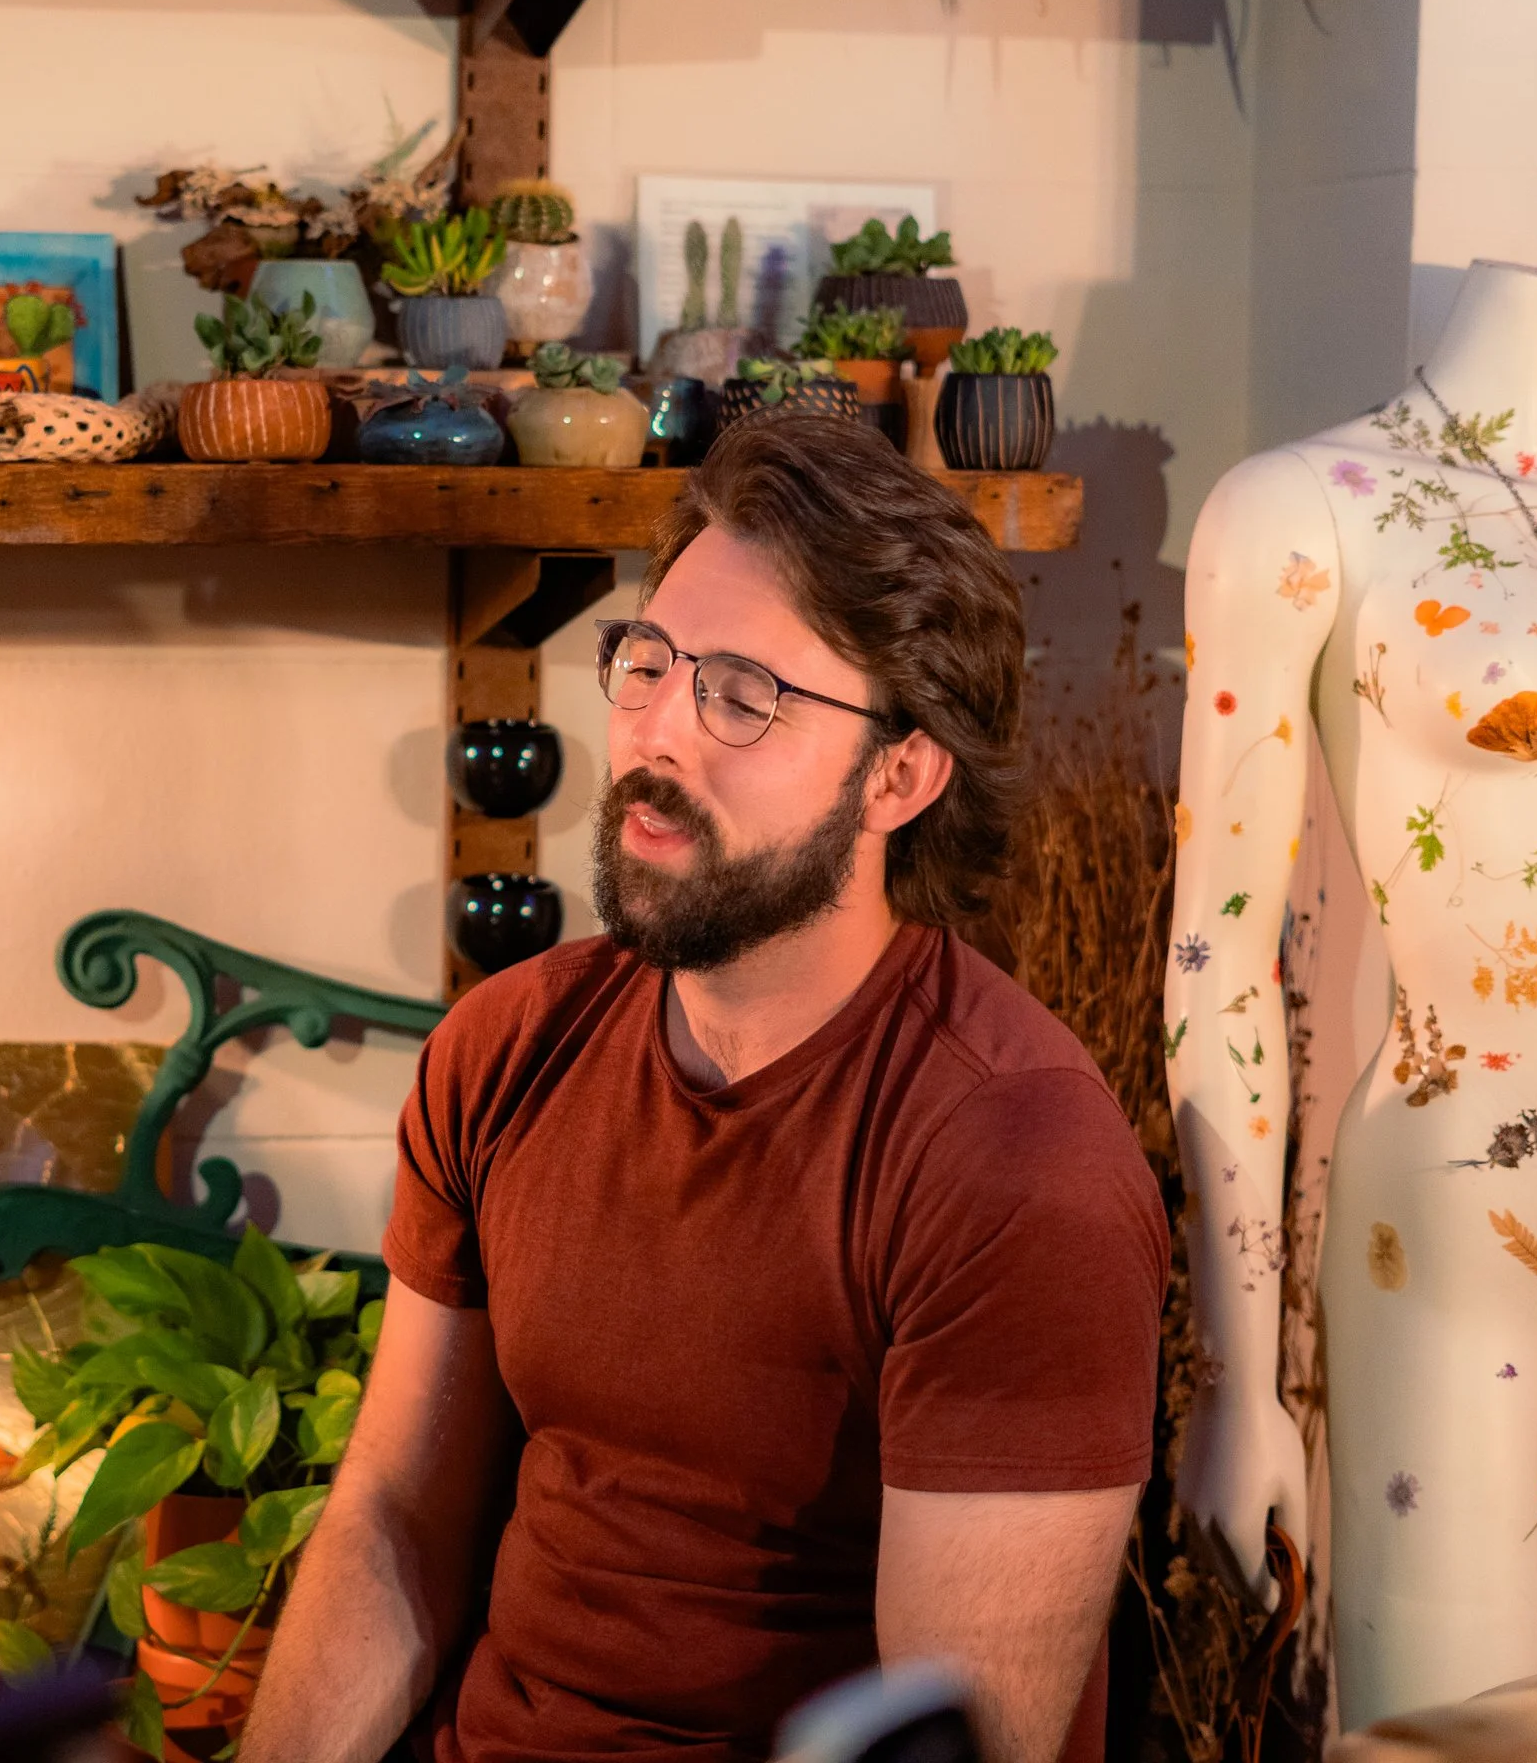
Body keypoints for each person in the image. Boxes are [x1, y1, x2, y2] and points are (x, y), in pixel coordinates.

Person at [239, 412, 1167, 1763]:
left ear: (899, 775)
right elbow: (395, 1520)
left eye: (745, 695)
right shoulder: (508, 1049)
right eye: (650, 664)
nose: (660, 735)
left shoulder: (1015, 1162)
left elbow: (950, 1742)